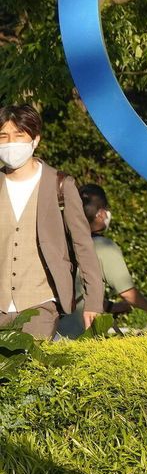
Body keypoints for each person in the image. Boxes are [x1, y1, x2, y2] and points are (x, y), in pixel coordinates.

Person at [0, 104, 103, 339]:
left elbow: (83, 245)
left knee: (32, 370)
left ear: (35, 139)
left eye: (19, 135)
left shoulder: (60, 185)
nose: (10, 143)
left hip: (42, 302)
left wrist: (94, 300)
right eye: (3, 136)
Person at [75, 183, 147, 323]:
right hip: (78, 333)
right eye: (106, 208)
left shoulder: (63, 241)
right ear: (100, 214)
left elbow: (81, 295)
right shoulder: (103, 247)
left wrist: (113, 307)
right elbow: (128, 294)